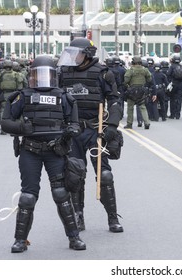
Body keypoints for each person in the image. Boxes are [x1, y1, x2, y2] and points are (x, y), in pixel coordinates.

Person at [0, 55, 86, 252]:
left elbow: (74, 124)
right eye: (37, 75)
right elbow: (6, 122)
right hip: (30, 151)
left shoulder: (64, 97)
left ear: (54, 76)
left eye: (46, 75)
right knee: (28, 196)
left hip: (55, 151)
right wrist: (22, 128)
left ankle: (74, 237)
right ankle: (20, 240)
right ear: (31, 76)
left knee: (61, 193)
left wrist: (71, 131)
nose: (42, 79)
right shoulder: (24, 96)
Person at [57, 38, 124, 233]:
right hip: (73, 131)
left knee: (105, 174)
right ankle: (78, 216)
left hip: (96, 130)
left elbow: (114, 101)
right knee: (74, 175)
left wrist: (112, 125)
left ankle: (112, 217)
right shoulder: (64, 73)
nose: (72, 57)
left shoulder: (103, 73)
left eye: (76, 53)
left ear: (86, 54)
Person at [0, 59, 24, 133]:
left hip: (4, 94)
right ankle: (17, 128)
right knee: (17, 110)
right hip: (15, 94)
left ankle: (3, 129)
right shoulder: (16, 74)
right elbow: (20, 86)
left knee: (3, 110)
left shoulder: (0, 74)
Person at [123, 56, 155, 129]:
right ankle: (147, 123)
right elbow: (149, 79)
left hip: (132, 90)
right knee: (143, 107)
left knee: (130, 108)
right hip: (142, 90)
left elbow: (126, 80)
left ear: (133, 62)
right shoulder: (145, 70)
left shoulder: (131, 70)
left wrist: (127, 85)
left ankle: (129, 124)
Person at [166, 54, 182, 119]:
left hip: (173, 85)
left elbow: (168, 74)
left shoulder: (172, 67)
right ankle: (178, 114)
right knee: (179, 100)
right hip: (180, 85)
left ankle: (172, 114)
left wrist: (170, 82)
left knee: (172, 99)